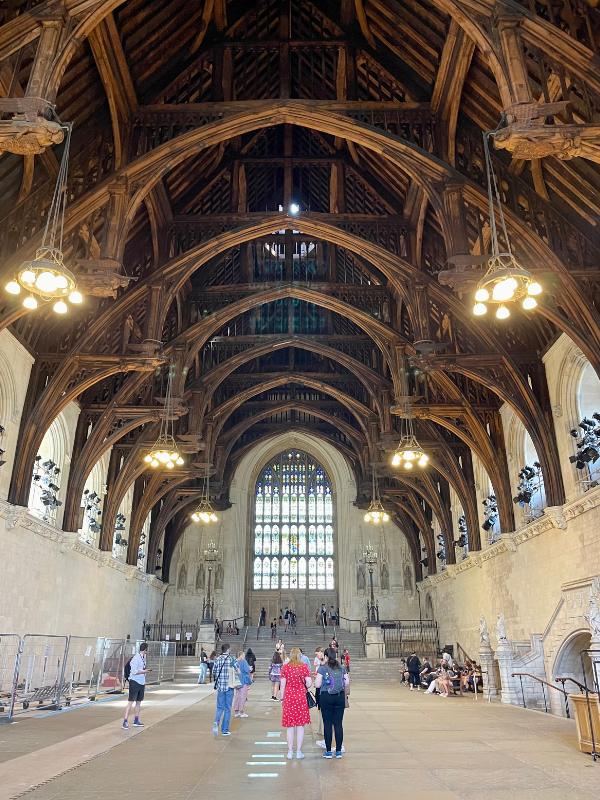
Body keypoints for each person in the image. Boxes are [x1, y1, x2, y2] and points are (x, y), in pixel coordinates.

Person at [280, 646, 312, 759]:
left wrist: (282, 698)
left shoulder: (285, 668)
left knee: (290, 727)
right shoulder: (304, 667)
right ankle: (298, 751)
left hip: (289, 698)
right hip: (301, 699)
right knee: (300, 726)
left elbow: (282, 685)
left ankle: (290, 752)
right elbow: (309, 684)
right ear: (299, 655)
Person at [315, 647, 348, 759]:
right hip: (339, 697)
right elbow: (347, 682)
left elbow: (317, 685)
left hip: (326, 697)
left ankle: (328, 751)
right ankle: (338, 751)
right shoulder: (342, 668)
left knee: (328, 724)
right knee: (338, 724)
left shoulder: (323, 668)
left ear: (326, 657)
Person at [123, 642, 149, 729]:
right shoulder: (136, 658)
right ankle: (125, 721)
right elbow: (134, 671)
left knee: (138, 702)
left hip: (141, 682)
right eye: (147, 650)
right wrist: (144, 671)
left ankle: (136, 720)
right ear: (145, 650)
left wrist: (144, 671)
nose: (147, 652)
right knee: (131, 701)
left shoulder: (144, 657)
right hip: (134, 682)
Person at [212, 643, 236, 736]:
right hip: (229, 686)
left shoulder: (217, 659)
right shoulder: (231, 659)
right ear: (228, 650)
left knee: (219, 707)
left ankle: (216, 722)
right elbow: (238, 670)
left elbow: (214, 671)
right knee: (227, 708)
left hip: (220, 687)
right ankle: (224, 730)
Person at [233, 650, 252, 718]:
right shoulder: (243, 661)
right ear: (240, 655)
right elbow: (247, 670)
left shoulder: (235, 662)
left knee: (237, 696)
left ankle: (236, 711)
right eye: (243, 655)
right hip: (243, 680)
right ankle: (241, 711)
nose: (244, 656)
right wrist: (250, 668)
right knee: (243, 696)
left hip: (236, 680)